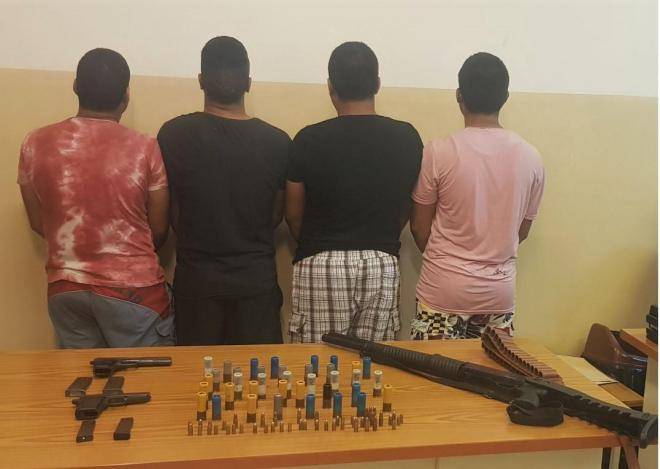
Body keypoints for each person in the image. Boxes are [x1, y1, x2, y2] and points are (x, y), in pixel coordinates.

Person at [17, 48, 174, 348]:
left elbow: (40, 222)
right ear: (126, 96)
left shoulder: (34, 143)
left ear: (75, 86)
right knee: (148, 376)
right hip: (133, 291)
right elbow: (158, 228)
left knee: (82, 377)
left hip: (66, 289)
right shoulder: (144, 147)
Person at [286, 41, 423, 343]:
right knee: (374, 364)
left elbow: (293, 215)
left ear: (330, 86)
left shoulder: (308, 139)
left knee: (316, 364)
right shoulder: (407, 137)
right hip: (380, 263)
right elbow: (408, 206)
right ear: (377, 84)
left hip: (320, 263)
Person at [157, 36, 290, 345]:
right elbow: (276, 214)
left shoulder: (174, 135)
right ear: (249, 83)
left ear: (201, 80)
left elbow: (172, 211)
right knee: (259, 374)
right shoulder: (278, 142)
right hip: (256, 282)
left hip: (197, 282)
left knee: (197, 373)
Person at [410, 52, 545, 340]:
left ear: (459, 95)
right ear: (505, 97)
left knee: (434, 367)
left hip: (443, 289)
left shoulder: (438, 151)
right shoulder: (530, 157)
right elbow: (522, 231)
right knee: (491, 368)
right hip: (499, 293)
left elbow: (419, 227)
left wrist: (448, 264)